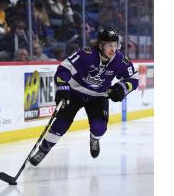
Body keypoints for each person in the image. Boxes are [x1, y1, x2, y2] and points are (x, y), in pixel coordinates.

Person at [29, 28, 139, 166]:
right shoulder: (86, 54)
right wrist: (63, 87)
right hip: (75, 92)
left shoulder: (120, 60)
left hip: (98, 96)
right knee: (60, 125)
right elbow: (64, 69)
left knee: (99, 129)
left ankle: (94, 139)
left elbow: (134, 78)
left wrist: (122, 88)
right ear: (100, 45)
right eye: (109, 45)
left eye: (115, 45)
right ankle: (43, 150)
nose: (113, 49)